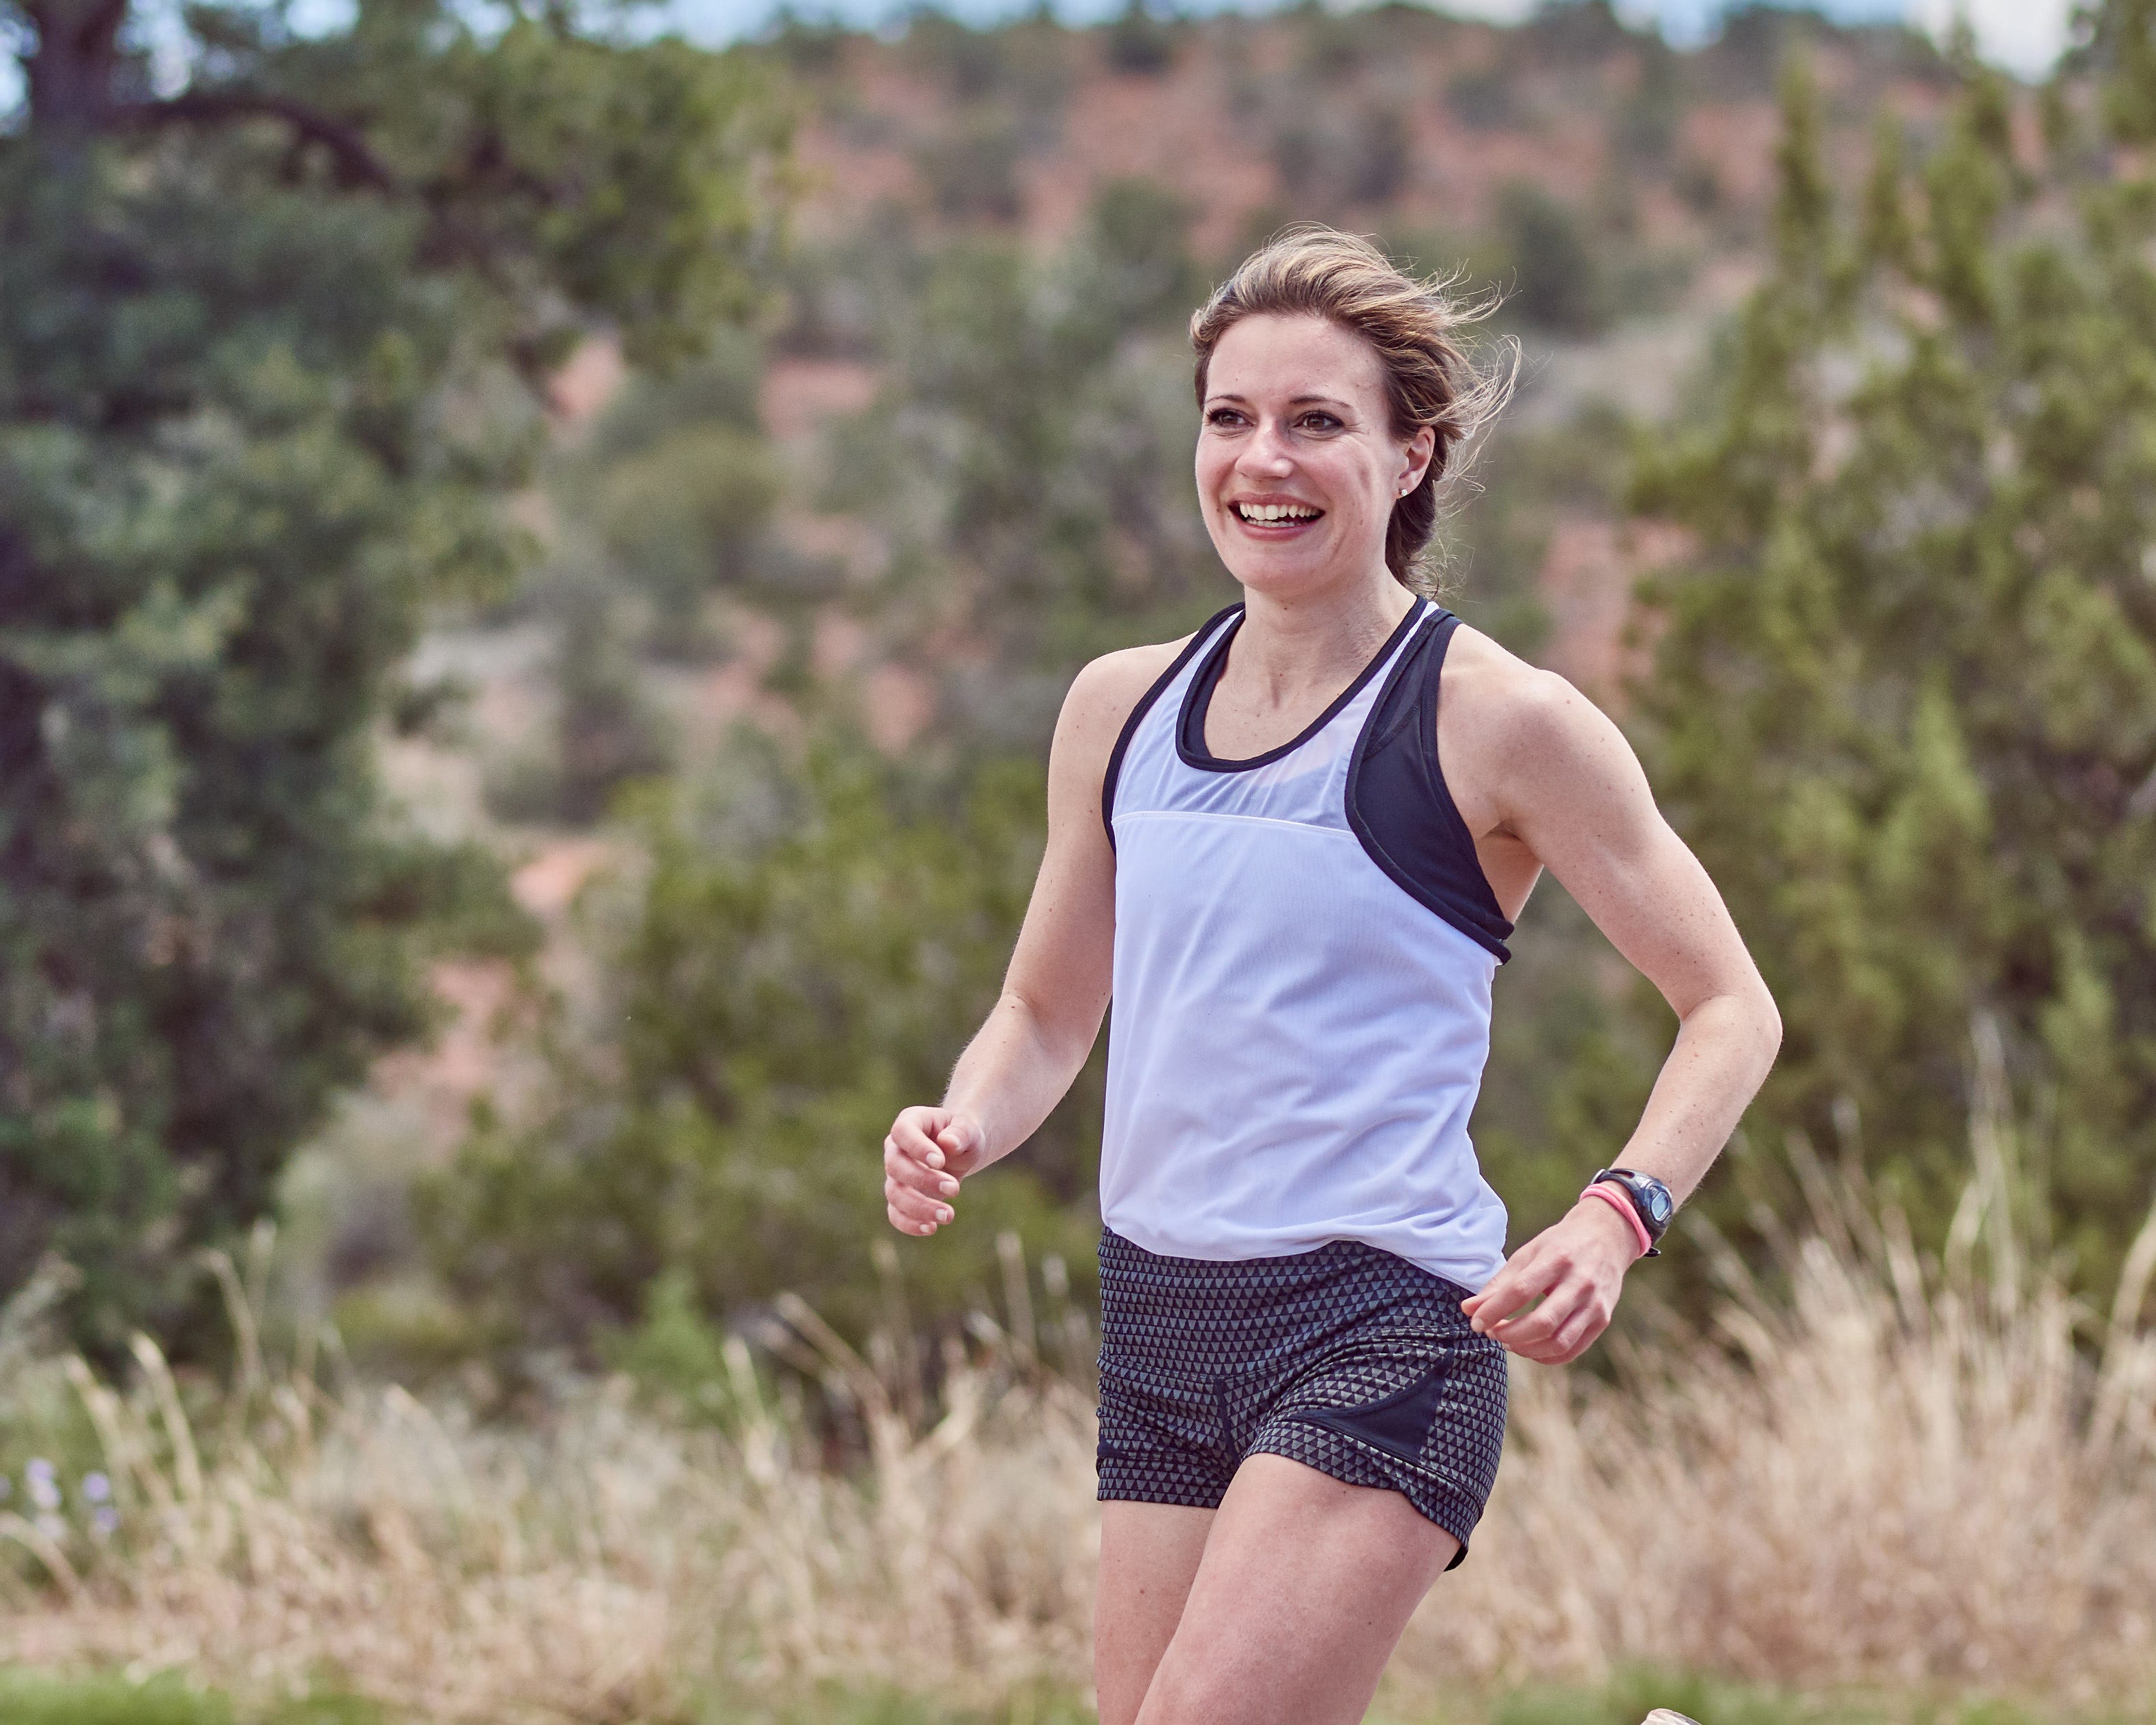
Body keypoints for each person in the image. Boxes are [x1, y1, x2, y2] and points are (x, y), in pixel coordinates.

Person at [879, 226, 1780, 1725]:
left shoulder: (1500, 722)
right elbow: (1044, 1011)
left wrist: (1617, 1217)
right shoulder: (1118, 709)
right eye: (1229, 417)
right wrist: (964, 1119)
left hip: (1381, 1317)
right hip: (1160, 1316)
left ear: (1409, 453)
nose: (1263, 460)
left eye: (1315, 421)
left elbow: (1730, 1007)